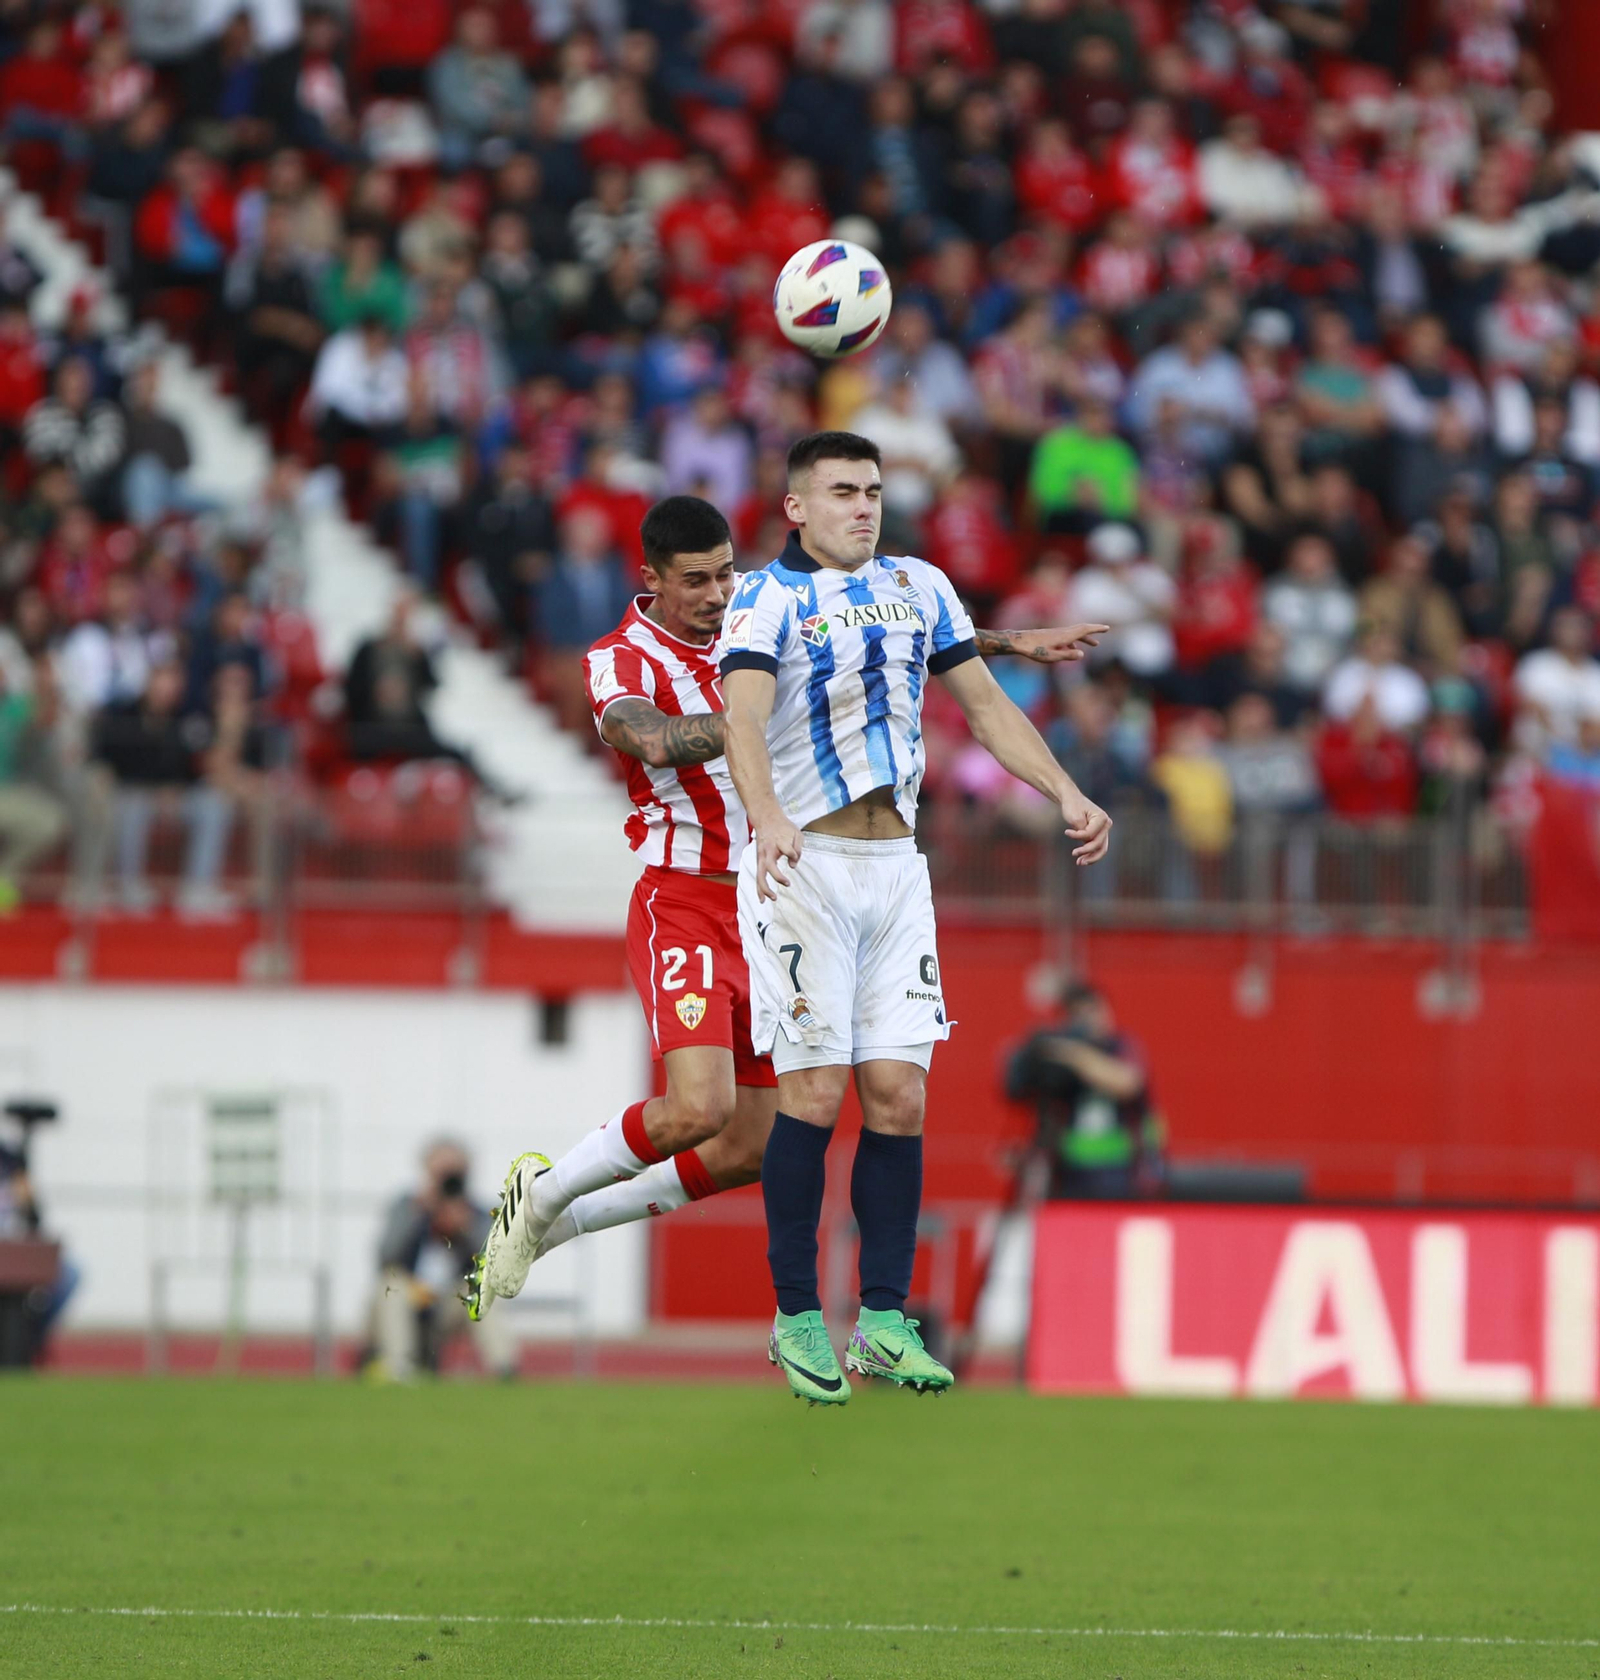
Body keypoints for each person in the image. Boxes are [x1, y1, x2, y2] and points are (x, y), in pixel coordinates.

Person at [466, 492, 1107, 1336]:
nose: (717, 594)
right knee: (697, 1108)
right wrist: (748, 718)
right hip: (686, 898)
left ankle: (554, 1227)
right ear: (651, 580)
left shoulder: (759, 618)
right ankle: (541, 1190)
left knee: (749, 1150)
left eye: (727, 573)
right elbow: (650, 737)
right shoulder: (619, 659)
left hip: (779, 902)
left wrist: (993, 643)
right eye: (694, 580)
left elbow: (879, 635)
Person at [365, 1139, 513, 1381]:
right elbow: (385, 1257)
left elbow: (497, 1265)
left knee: (483, 1291)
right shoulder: (407, 1207)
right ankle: (399, 1370)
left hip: (448, 1303)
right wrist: (419, 1214)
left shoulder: (477, 1214)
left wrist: (466, 1228)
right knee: (392, 1286)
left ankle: (504, 1369)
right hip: (409, 1297)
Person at [1005, 980, 1160, 1200]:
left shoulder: (1122, 1046)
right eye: (1077, 1014)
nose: (1087, 1021)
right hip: (1072, 1177)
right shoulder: (1062, 1063)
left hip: (1125, 1174)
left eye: (1092, 1010)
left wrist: (1073, 1055)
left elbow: (1127, 1083)